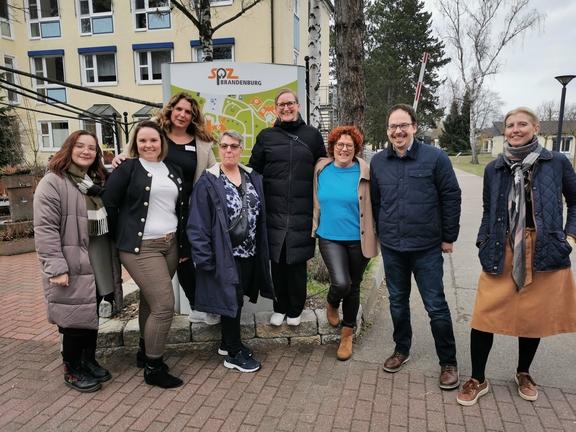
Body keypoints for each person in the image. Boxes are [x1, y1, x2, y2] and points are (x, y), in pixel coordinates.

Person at [456, 107, 576, 406]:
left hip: (543, 247)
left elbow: (575, 202)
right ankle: (478, 378)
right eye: (510, 125)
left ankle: (523, 372)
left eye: (522, 124)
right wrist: (482, 240)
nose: (515, 129)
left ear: (536, 128)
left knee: (533, 316)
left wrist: (569, 238)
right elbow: (488, 209)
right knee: (484, 314)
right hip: (502, 245)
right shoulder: (494, 168)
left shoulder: (556, 162)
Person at [370, 103, 462, 390]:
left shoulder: (435, 158)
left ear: (414, 127)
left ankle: (448, 362)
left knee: (435, 306)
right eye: (393, 126)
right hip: (393, 248)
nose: (398, 131)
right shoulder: (378, 162)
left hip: (426, 248)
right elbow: (376, 202)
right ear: (387, 130)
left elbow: (451, 196)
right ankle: (401, 349)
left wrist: (448, 237)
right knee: (397, 302)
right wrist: (381, 233)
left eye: (403, 125)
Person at [113, 92, 218, 327]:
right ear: (170, 110)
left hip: (190, 210)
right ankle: (194, 307)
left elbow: (213, 173)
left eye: (188, 111)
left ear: (193, 116)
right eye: (178, 109)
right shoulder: (155, 134)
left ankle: (199, 306)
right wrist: (120, 158)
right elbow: (132, 155)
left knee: (189, 258)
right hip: (155, 211)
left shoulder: (201, 142)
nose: (182, 114)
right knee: (174, 264)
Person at [34, 130, 121, 393]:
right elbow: (45, 228)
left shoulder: (91, 181)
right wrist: (55, 268)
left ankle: (88, 360)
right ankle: (72, 368)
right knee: (73, 317)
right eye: (80, 146)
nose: (86, 151)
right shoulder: (53, 182)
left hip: (97, 257)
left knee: (90, 311)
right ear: (69, 148)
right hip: (71, 260)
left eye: (92, 148)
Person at [103, 120, 184, 388]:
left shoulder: (172, 169)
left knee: (151, 302)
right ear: (135, 144)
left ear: (162, 142)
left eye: (153, 140)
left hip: (169, 244)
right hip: (140, 248)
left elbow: (178, 207)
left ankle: (144, 351)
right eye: (143, 140)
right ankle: (153, 368)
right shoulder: (127, 168)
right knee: (164, 306)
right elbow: (109, 203)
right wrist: (122, 236)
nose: (149, 145)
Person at [188, 131, 274, 372]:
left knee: (237, 299)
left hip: (249, 254)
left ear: (240, 149)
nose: (228, 150)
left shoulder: (252, 177)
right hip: (224, 256)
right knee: (231, 301)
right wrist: (205, 259)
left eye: (234, 146)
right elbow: (197, 223)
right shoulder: (208, 181)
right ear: (219, 148)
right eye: (224, 145)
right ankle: (234, 354)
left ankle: (227, 343)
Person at [249, 89, 326, 326]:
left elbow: (322, 169)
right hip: (273, 210)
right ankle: (279, 307)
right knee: (277, 261)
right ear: (275, 109)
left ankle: (295, 309)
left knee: (297, 262)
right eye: (281, 105)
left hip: (302, 210)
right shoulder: (266, 136)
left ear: (298, 105)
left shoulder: (312, 135)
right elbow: (254, 171)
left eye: (290, 103)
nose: (286, 108)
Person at [312, 126, 379, 361]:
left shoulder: (365, 172)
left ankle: (347, 335)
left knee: (354, 285)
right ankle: (332, 302)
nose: (344, 149)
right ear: (332, 147)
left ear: (356, 149)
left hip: (359, 238)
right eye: (339, 144)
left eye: (349, 145)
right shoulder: (321, 169)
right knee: (341, 283)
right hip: (329, 236)